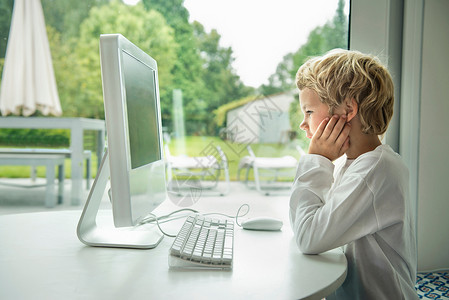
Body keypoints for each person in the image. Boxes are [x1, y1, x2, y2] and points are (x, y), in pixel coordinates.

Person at [289, 49, 417, 299]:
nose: (303, 124)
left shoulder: (374, 170)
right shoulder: (357, 163)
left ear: (348, 109)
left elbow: (308, 237)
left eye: (309, 112)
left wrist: (317, 159)